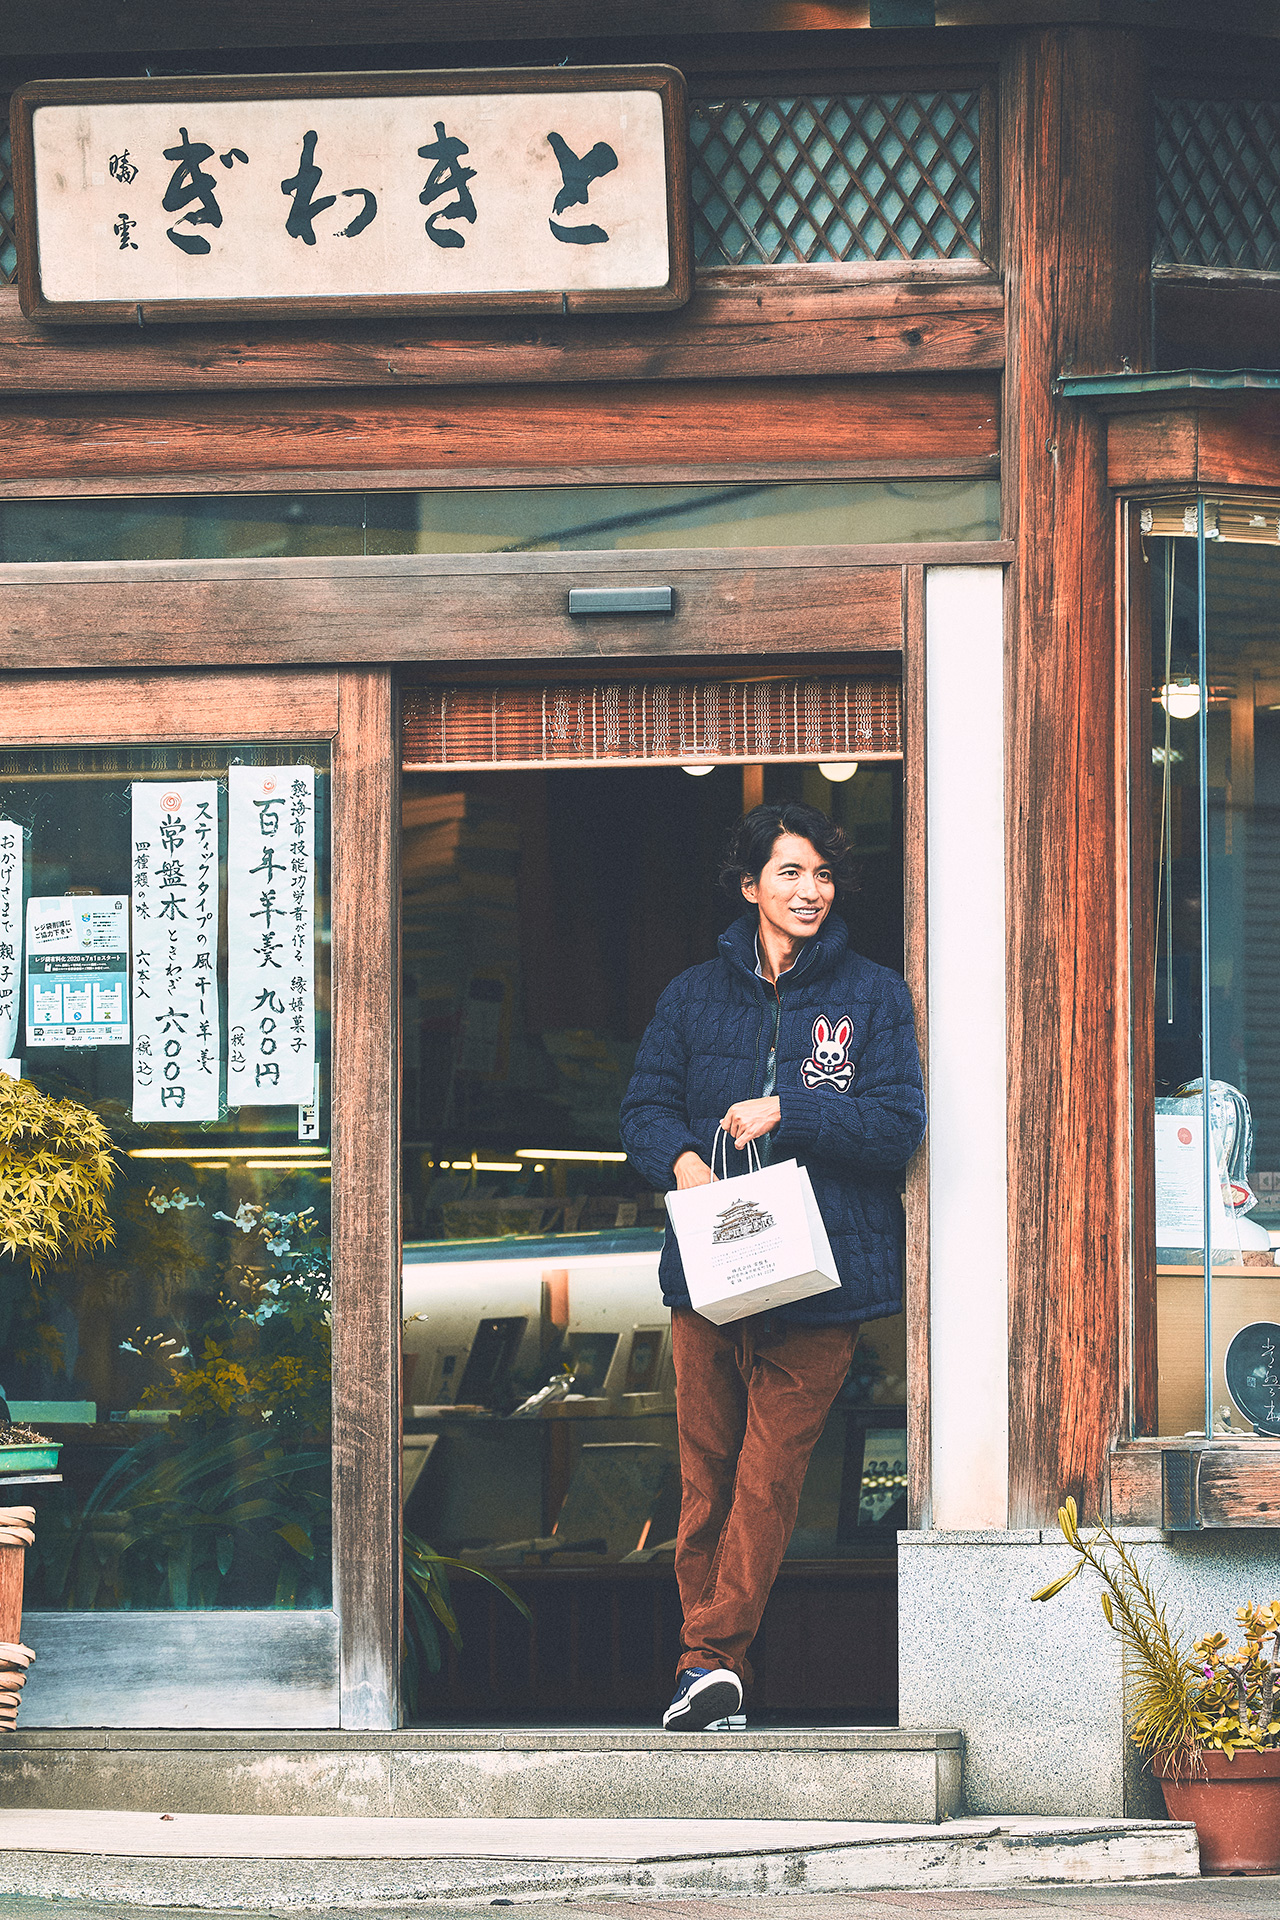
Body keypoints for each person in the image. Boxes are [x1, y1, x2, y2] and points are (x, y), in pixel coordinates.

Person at [619, 801, 926, 1732]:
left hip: (824, 1279)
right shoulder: (689, 997)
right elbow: (643, 1110)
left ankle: (707, 1659)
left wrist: (787, 1110)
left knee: (768, 1476)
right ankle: (711, 1667)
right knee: (706, 1474)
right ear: (750, 885)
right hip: (712, 1272)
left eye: (824, 873)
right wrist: (681, 1161)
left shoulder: (873, 996)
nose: (811, 891)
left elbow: (896, 1127)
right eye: (790, 873)